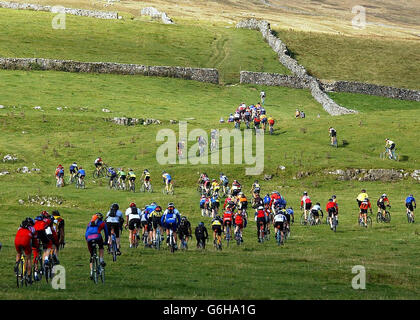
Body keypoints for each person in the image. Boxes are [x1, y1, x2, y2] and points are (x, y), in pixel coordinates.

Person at [85, 213, 108, 279]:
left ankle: (91, 272)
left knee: (92, 255)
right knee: (101, 247)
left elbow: (86, 233)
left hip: (88, 238)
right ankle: (101, 260)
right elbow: (106, 233)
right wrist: (106, 242)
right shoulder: (102, 223)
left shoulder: (89, 223)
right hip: (97, 236)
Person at [14, 217, 36, 284]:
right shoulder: (32, 228)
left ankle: (16, 265)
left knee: (18, 253)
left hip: (17, 240)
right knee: (28, 258)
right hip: (25, 241)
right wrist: (35, 246)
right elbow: (35, 240)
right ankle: (29, 276)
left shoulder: (20, 227)